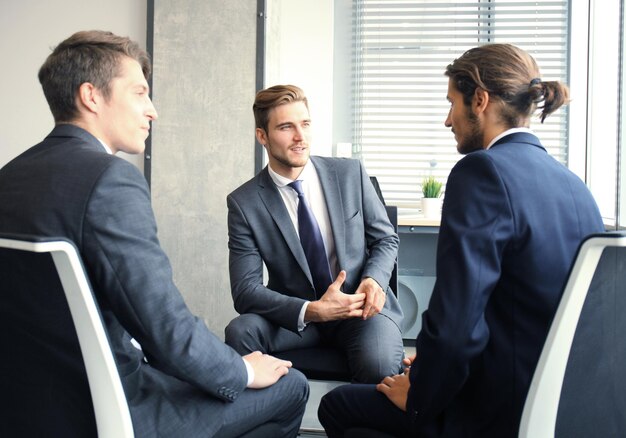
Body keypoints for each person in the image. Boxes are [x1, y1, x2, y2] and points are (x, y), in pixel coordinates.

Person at [0, 30, 308, 438]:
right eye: (140, 93)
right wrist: (241, 369)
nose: (153, 111)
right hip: (112, 407)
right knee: (290, 386)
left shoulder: (10, 176)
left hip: (27, 404)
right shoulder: (110, 180)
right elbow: (166, 329)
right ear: (91, 96)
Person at [318, 43, 605, 437]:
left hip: (497, 409)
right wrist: (432, 361)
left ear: (481, 100)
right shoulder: (575, 186)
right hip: (563, 404)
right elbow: (515, 309)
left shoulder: (482, 172)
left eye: (452, 103)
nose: (447, 119)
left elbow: (457, 322)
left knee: (337, 405)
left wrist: (420, 396)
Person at [225, 84, 404, 383]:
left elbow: (385, 239)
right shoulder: (244, 204)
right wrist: (312, 311)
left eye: (305, 124)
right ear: (262, 136)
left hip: (360, 310)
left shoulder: (349, 174)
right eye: (286, 127)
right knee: (240, 331)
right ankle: (266, 421)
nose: (300, 137)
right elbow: (245, 291)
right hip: (298, 321)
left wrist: (373, 280)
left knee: (377, 362)